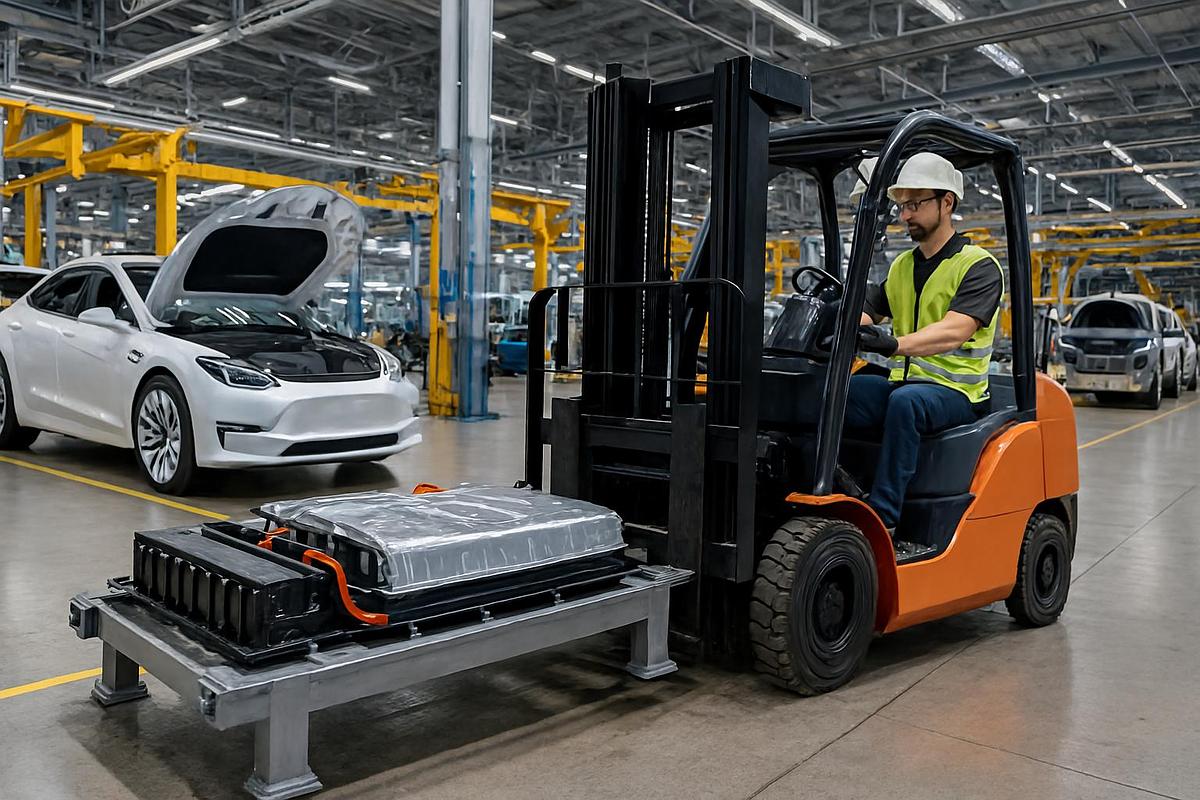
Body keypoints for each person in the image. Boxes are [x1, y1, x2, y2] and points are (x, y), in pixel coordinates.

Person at [845, 152, 1004, 534]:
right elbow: (870, 311)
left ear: (946, 202)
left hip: (957, 393)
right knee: (840, 392)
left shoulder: (977, 265)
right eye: (901, 206)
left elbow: (955, 329)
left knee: (906, 403)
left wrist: (893, 344)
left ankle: (883, 519)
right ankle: (840, 489)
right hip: (906, 382)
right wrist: (837, 321)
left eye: (914, 204)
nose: (904, 215)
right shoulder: (903, 265)